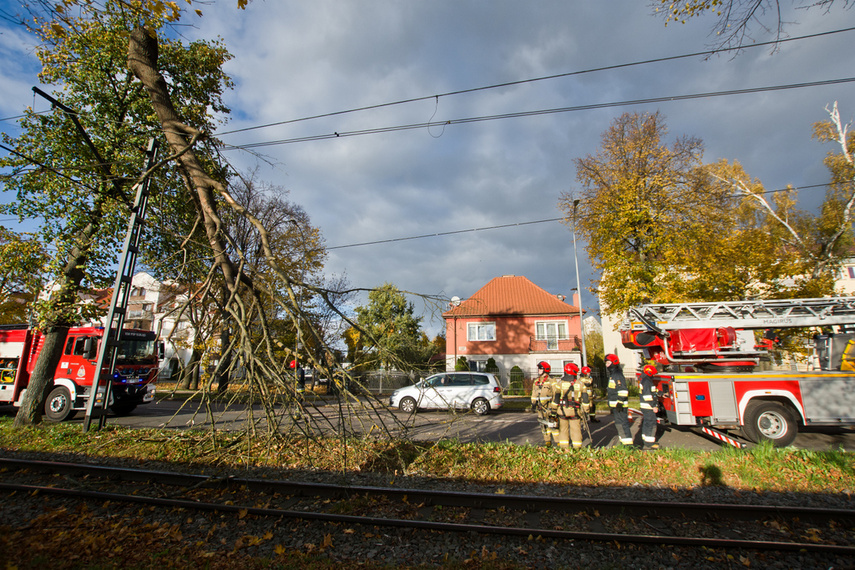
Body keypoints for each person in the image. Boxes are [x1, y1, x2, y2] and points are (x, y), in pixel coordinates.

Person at [550, 363, 584, 450]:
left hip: (562, 411)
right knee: (576, 430)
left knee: (563, 430)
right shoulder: (580, 384)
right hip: (575, 411)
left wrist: (553, 410)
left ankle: (564, 448)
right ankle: (577, 448)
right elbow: (586, 399)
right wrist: (586, 411)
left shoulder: (560, 383)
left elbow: (556, 398)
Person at [605, 353, 632, 447]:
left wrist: (620, 402)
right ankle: (624, 443)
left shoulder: (617, 375)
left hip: (619, 406)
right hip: (616, 406)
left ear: (614, 363)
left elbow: (623, 390)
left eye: (608, 363)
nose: (606, 365)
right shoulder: (613, 374)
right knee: (619, 424)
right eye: (606, 363)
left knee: (623, 424)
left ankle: (628, 445)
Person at [530, 362, 555, 447]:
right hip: (540, 408)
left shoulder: (551, 381)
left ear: (546, 370)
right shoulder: (537, 381)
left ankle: (559, 444)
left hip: (549, 408)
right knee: (543, 427)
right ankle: (547, 443)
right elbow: (534, 393)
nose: (539, 370)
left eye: (541, 368)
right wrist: (533, 404)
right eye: (539, 368)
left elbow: (556, 394)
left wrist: (554, 407)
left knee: (554, 427)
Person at [639, 363, 661, 450]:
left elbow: (651, 391)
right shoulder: (647, 381)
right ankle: (649, 443)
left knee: (647, 423)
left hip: (645, 406)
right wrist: (653, 406)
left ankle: (645, 439)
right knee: (651, 424)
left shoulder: (645, 380)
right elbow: (647, 395)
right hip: (648, 406)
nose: (653, 376)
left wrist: (661, 393)